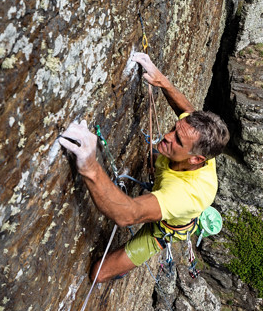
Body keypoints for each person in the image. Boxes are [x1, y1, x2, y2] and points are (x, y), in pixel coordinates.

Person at [58, 52, 229, 283]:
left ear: (196, 160)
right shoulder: (198, 140)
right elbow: (187, 110)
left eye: (177, 140)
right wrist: (162, 81)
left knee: (99, 273)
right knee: (161, 152)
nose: (167, 136)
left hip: (166, 227)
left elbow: (127, 215)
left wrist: (89, 165)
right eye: (174, 129)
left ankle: (125, 266)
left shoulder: (187, 194)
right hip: (170, 183)